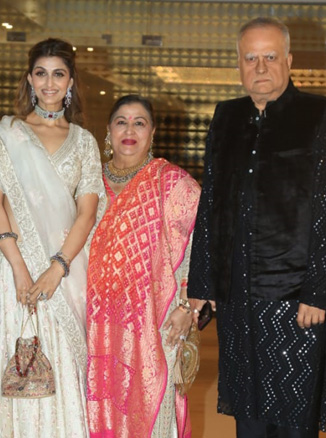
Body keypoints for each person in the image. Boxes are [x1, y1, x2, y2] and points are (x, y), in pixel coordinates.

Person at [187, 17, 326, 438]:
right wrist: (204, 282)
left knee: (294, 419)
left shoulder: (318, 115)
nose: (260, 67)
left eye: (270, 57)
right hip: (238, 297)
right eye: (251, 58)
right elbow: (212, 203)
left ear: (289, 61)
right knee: (250, 417)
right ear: (238, 64)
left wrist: (318, 291)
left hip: (296, 300)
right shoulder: (226, 117)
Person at [0, 38, 105, 437]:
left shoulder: (83, 141)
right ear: (29, 79)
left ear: (71, 82)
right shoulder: (8, 133)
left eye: (58, 74)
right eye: (41, 73)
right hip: (13, 272)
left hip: (67, 276)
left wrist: (56, 270)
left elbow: (87, 212)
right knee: (15, 366)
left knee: (62, 368)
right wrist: (21, 269)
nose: (49, 83)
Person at [86, 94, 200, 438]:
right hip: (93, 322)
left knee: (152, 404)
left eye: (140, 122)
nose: (129, 130)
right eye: (121, 121)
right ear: (108, 130)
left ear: (152, 132)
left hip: (155, 320)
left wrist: (187, 306)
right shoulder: (87, 183)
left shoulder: (174, 184)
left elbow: (198, 249)